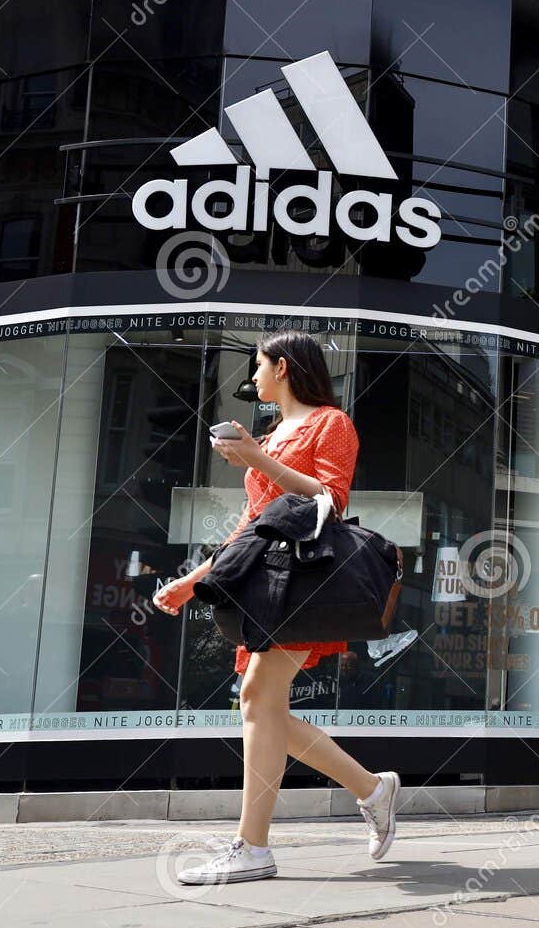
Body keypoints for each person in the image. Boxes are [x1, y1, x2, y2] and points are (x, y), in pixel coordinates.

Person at [153, 331, 401, 884]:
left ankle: (252, 847)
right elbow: (252, 524)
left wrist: (257, 457)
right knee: (265, 711)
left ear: (283, 367)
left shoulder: (331, 423)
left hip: (306, 582)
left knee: (257, 698)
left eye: (259, 367)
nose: (254, 378)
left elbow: (328, 501)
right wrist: (193, 581)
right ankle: (372, 788)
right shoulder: (271, 432)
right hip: (266, 581)